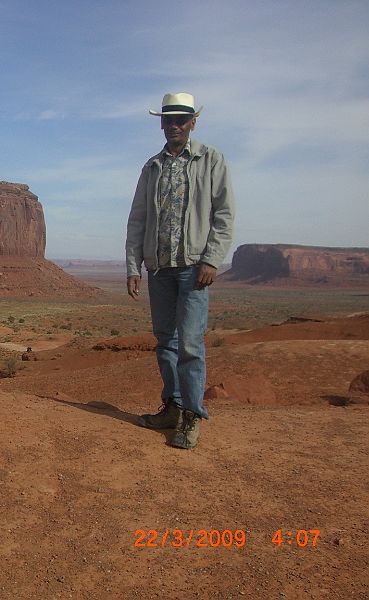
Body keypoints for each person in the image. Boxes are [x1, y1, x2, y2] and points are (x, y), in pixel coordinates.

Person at [125, 93, 235, 449]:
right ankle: (172, 407)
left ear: (192, 123)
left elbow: (224, 215)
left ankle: (191, 415)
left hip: (193, 268)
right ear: (161, 123)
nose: (174, 125)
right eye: (168, 119)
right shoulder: (152, 166)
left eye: (181, 119)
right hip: (159, 269)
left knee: (189, 343)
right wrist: (133, 266)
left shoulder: (211, 159)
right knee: (165, 343)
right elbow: (137, 219)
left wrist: (212, 260)